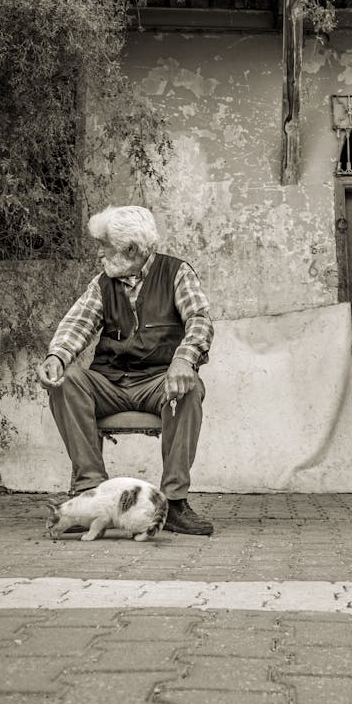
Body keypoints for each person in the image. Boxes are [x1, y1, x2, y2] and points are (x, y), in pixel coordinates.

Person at [36, 205, 214, 536]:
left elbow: (200, 321)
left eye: (105, 245)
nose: (101, 253)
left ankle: (174, 503)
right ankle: (89, 493)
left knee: (191, 387)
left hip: (157, 383)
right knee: (66, 379)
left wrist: (184, 359)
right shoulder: (103, 283)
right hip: (109, 382)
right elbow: (78, 323)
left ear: (130, 249)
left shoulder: (177, 273)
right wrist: (56, 356)